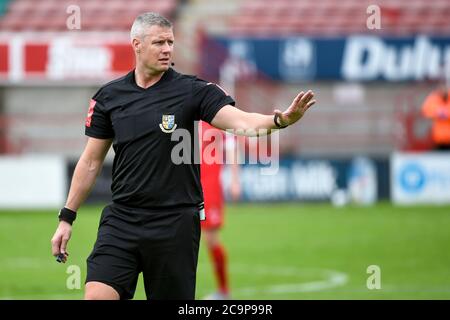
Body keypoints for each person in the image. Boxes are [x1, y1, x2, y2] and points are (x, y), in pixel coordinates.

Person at [50, 12, 316, 300]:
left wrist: (279, 122)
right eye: (158, 43)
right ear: (137, 44)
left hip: (174, 224)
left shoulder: (192, 91)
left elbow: (241, 122)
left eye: (170, 42)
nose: (167, 49)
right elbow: (90, 161)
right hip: (122, 220)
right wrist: (67, 217)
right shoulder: (109, 97)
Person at [199, 121, 240, 300]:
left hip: (209, 187)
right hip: (185, 186)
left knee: (211, 239)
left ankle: (224, 291)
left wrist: (235, 179)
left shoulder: (217, 112)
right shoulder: (186, 110)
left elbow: (231, 146)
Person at [421, 83, 450, 150]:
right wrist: (439, 113)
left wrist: (442, 113)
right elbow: (426, 110)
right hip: (439, 139)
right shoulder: (435, 98)